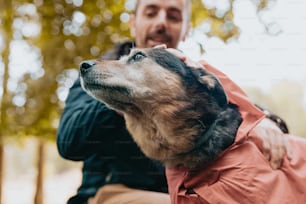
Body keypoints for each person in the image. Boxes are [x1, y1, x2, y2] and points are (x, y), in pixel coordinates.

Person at [57, 0, 290, 203]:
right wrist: (123, 90)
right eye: (150, 12)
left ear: (186, 30)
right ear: (133, 22)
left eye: (173, 16)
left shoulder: (189, 79)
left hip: (182, 192)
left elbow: (231, 108)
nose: (161, 23)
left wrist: (263, 121)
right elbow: (68, 142)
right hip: (109, 193)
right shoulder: (102, 69)